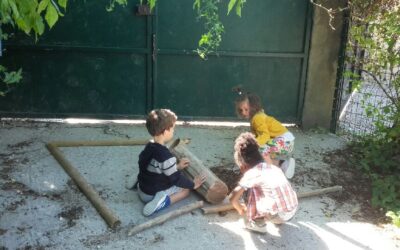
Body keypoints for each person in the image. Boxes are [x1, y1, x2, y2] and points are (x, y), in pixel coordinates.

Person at [137, 109, 206, 216]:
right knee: (185, 191)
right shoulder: (166, 156)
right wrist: (193, 184)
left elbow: (155, 165)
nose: (173, 131)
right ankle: (161, 202)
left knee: (150, 168)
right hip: (152, 195)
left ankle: (137, 181)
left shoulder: (149, 146)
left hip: (142, 188)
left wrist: (176, 166)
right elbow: (176, 178)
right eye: (173, 128)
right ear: (165, 131)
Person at [229, 132, 298, 233]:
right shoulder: (273, 167)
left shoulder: (252, 173)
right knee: (265, 189)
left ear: (243, 165)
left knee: (249, 190)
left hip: (278, 215)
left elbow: (233, 197)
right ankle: (276, 216)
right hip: (292, 210)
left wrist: (241, 210)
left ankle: (258, 224)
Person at [234, 90, 296, 179]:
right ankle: (284, 164)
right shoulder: (257, 116)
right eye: (241, 110)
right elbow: (258, 134)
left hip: (285, 142)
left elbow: (265, 136)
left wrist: (254, 143)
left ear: (253, 107)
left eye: (246, 109)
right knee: (263, 152)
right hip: (285, 140)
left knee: (262, 149)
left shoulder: (257, 118)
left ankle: (271, 175)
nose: (243, 113)